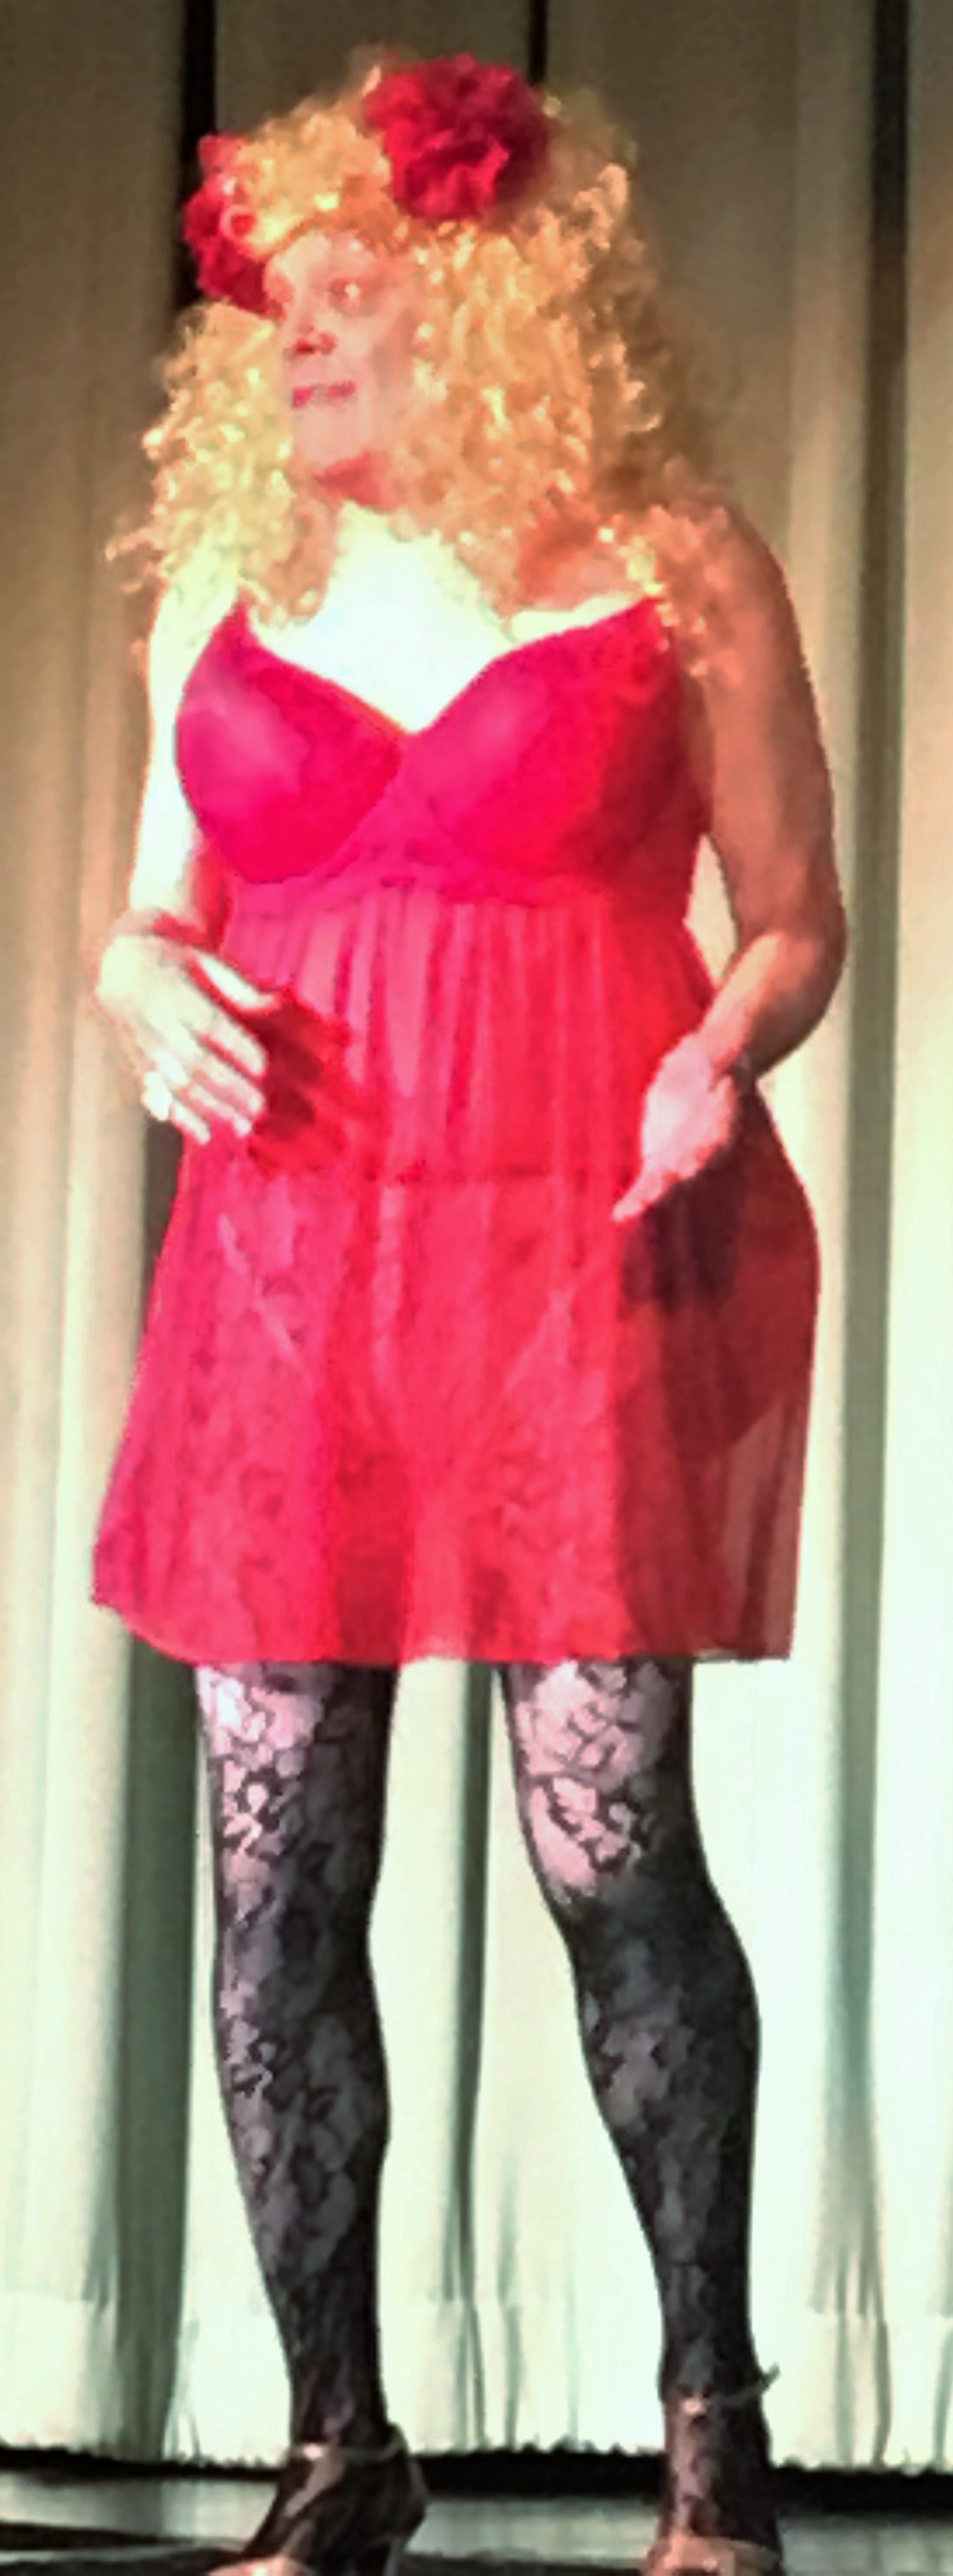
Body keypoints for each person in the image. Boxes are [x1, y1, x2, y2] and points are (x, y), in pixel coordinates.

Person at [91, 46, 847, 2576]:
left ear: (495, 301)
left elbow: (798, 918)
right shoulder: (233, 582)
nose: (293, 333)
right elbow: (157, 912)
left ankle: (713, 2427)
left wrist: (724, 1049)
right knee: (274, 1872)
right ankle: (339, 2441)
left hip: (573, 1247)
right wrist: (132, 976)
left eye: (347, 290)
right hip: (291, 1274)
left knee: (608, 1846)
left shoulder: (673, 559)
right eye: (276, 305)